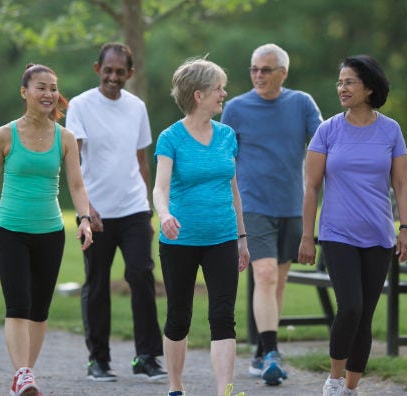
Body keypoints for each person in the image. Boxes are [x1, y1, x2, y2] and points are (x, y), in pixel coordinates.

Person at [0, 63, 93, 396]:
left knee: (39, 310)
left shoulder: (65, 137)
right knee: (18, 304)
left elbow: (76, 184)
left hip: (50, 233)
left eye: (53, 88)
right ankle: (23, 375)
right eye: (41, 87)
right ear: (24, 92)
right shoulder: (4, 135)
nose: (48, 94)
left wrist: (85, 218)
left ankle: (24, 374)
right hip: (11, 231)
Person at [297, 55, 407, 396]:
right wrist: (307, 235)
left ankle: (350, 388)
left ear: (370, 88)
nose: (341, 88)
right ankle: (333, 380)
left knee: (365, 314)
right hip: (337, 234)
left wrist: (405, 228)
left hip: (378, 236)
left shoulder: (391, 130)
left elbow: (402, 184)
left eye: (349, 82)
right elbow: (311, 187)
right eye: (340, 82)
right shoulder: (327, 130)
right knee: (351, 307)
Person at [220, 43, 323, 386]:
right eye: (254, 69)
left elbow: (323, 143)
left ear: (283, 72)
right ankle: (272, 354)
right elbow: (224, 159)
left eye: (266, 70)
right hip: (252, 205)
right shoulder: (235, 108)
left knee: (276, 282)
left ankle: (262, 350)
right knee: (263, 275)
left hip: (292, 206)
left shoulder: (301, 103)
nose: (258, 76)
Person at [65, 42, 166, 382]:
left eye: (120, 72)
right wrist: (85, 209)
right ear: (98, 69)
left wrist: (150, 210)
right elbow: (73, 163)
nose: (113, 77)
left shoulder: (137, 107)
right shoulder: (80, 105)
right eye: (107, 70)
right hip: (95, 213)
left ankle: (147, 356)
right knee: (96, 283)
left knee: (141, 276)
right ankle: (98, 359)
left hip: (134, 208)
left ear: (130, 74)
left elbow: (142, 162)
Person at [153, 58, 250, 396]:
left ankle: (224, 390)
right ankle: (176, 387)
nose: (224, 93)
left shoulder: (226, 136)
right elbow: (160, 187)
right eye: (218, 88)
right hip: (180, 240)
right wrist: (164, 214)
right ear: (198, 94)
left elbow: (233, 189)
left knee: (223, 315)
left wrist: (241, 237)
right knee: (179, 315)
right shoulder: (171, 138)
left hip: (222, 237)